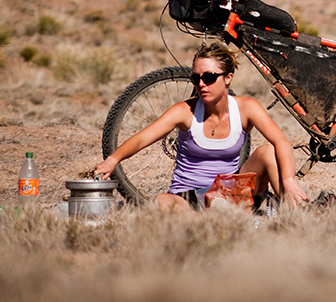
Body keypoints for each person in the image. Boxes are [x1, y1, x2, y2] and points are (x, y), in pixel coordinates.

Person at [96, 42, 309, 211]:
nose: (201, 84)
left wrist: (289, 182)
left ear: (228, 78)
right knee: (162, 202)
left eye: (208, 77)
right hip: (187, 196)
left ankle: (294, 211)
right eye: (196, 78)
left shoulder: (247, 108)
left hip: (228, 192)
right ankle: (206, 227)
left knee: (268, 152)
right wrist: (113, 159)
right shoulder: (184, 111)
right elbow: (143, 138)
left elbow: (281, 141)